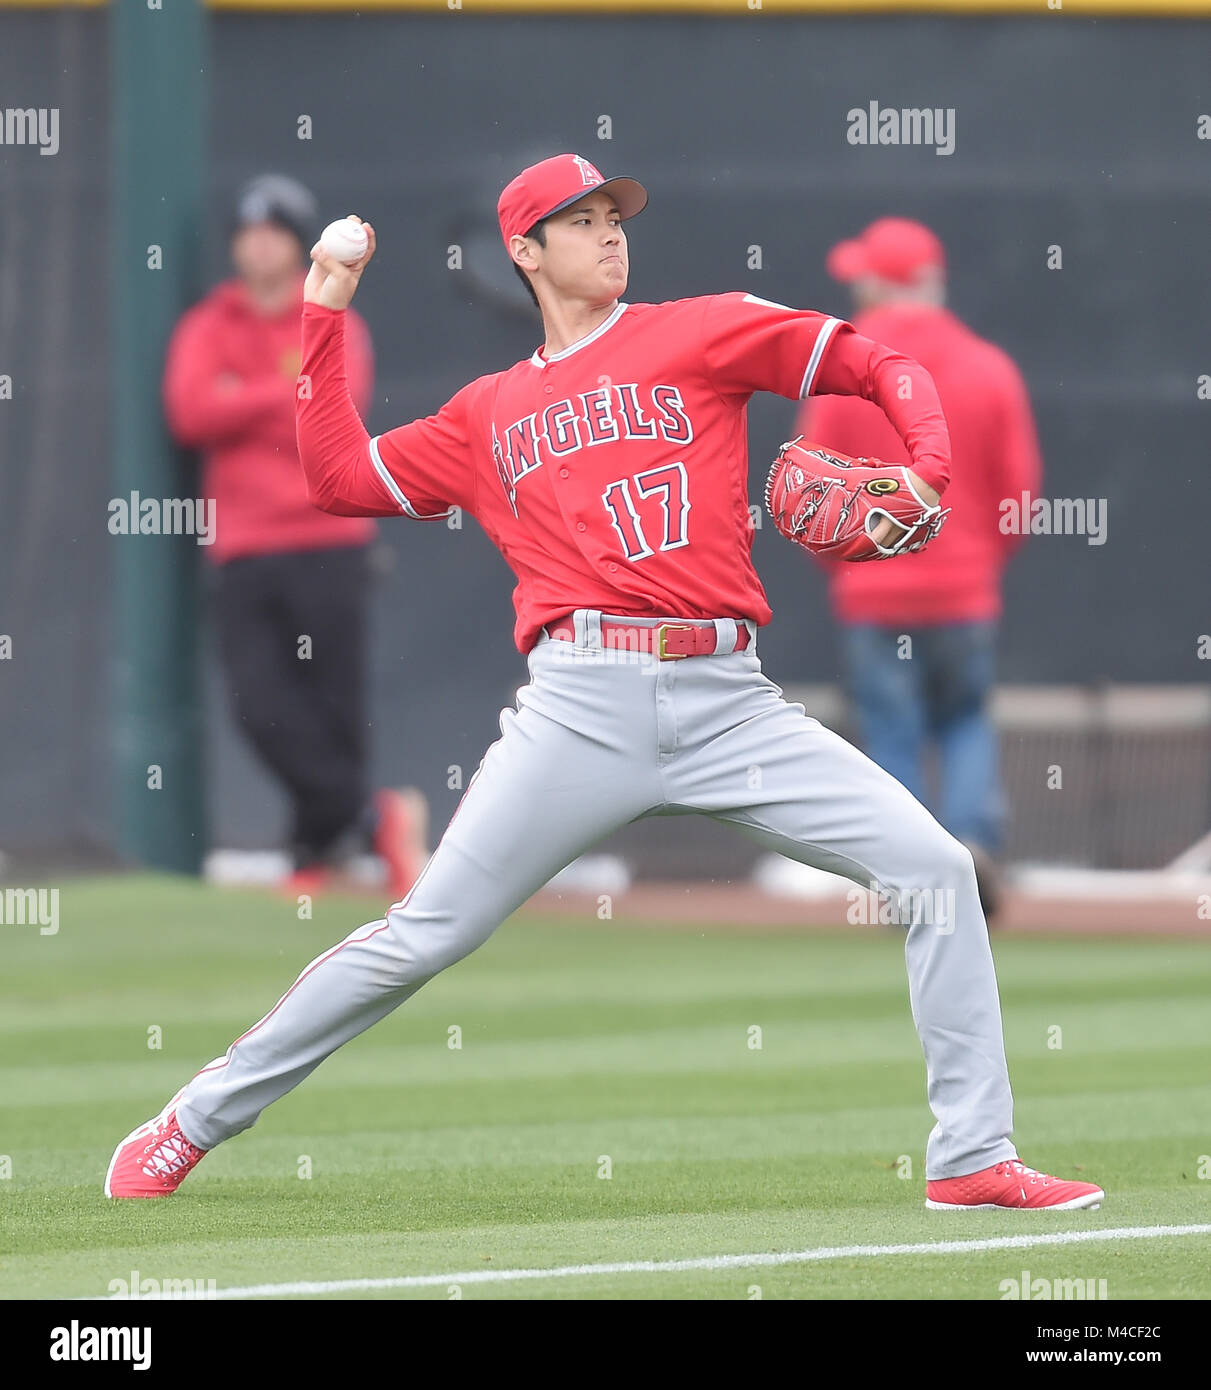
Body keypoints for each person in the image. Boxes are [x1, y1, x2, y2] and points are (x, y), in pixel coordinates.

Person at [107, 155, 1101, 1213]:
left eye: (612, 215)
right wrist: (321, 313)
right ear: (523, 253)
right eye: (577, 222)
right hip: (579, 704)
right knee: (424, 931)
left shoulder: (700, 328)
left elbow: (875, 360)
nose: (609, 233)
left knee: (937, 873)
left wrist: (931, 467)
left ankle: (969, 1156)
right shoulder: (488, 412)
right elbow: (336, 478)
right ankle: (186, 1125)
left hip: (728, 697)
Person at [162, 173, 426, 899]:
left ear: (299, 243)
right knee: (258, 706)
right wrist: (279, 394)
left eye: (272, 232)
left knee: (336, 703)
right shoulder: (209, 323)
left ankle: (316, 850)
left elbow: (339, 402)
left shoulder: (332, 318)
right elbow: (190, 411)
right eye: (246, 233)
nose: (257, 245)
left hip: (329, 540)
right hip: (244, 546)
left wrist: (240, 396)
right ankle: (375, 819)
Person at [794, 218, 1043, 917]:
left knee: (893, 731)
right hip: (963, 592)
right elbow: (1018, 494)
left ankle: (907, 873)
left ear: (878, 282)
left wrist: (846, 568)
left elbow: (812, 493)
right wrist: (981, 561)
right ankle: (971, 846)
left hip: (874, 590)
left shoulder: (841, 377)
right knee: (963, 719)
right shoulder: (986, 365)